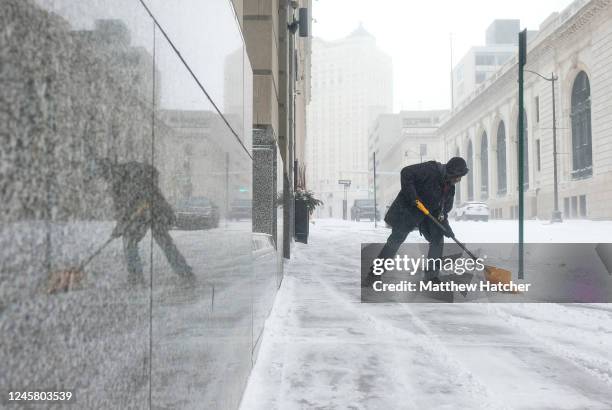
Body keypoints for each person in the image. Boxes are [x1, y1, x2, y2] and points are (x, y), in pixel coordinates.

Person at [367, 157, 469, 285]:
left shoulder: (450, 188)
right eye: (458, 176)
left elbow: (442, 213)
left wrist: (447, 228)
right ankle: (374, 274)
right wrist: (413, 197)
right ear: (452, 172)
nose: (459, 180)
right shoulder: (431, 170)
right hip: (408, 210)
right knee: (396, 239)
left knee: (437, 238)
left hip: (427, 215)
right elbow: (406, 172)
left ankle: (431, 277)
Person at [92, 158, 194, 285]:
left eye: (100, 177)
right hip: (145, 213)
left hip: (154, 210)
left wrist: (141, 203)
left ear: (105, 172)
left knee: (153, 241)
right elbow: (123, 211)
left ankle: (140, 277)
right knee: (139, 241)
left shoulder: (127, 174)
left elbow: (141, 195)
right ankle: (139, 277)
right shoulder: (118, 182)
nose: (102, 181)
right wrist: (119, 227)